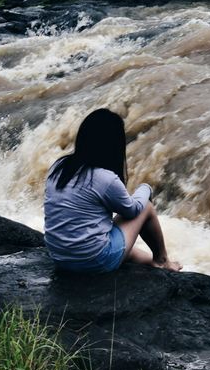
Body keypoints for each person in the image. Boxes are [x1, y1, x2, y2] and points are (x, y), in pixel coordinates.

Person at [44, 108, 181, 273]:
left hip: (60, 257)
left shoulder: (59, 166)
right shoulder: (105, 178)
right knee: (146, 207)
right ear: (113, 145)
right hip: (92, 261)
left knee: (131, 252)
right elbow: (133, 210)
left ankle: (156, 265)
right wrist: (146, 188)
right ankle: (163, 260)